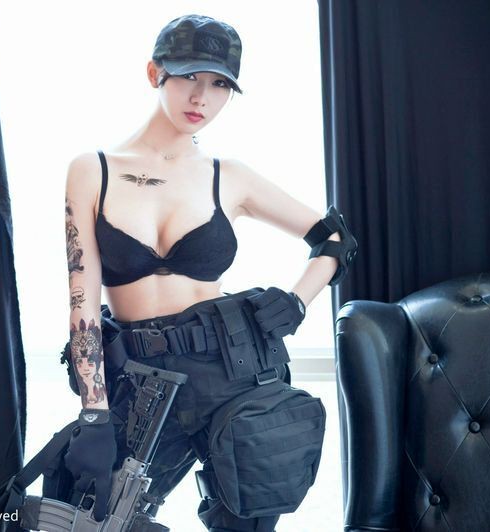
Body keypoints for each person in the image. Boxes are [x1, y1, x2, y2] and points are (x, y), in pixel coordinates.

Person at [61, 14, 351, 532]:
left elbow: (334, 240)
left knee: (249, 519)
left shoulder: (229, 177)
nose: (202, 97)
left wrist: (296, 302)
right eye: (190, 77)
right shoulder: (93, 170)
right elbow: (82, 304)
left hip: (234, 374)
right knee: (90, 517)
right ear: (155, 73)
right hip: (140, 384)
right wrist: (94, 413)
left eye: (220, 85)